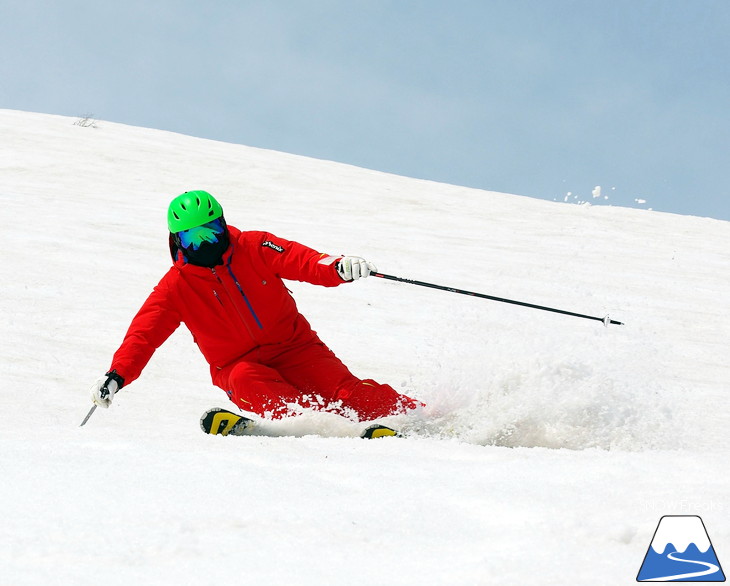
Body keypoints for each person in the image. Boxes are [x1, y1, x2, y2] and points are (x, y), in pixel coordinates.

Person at [90, 190, 420, 427]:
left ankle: (424, 417)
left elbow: (301, 260)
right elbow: (143, 335)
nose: (206, 243)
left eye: (212, 230)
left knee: (352, 396)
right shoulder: (175, 287)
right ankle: (314, 425)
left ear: (223, 223)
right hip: (238, 366)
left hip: (296, 349)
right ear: (177, 241)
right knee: (248, 378)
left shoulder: (254, 246)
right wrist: (117, 375)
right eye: (194, 237)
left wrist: (337, 267)